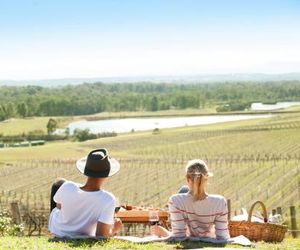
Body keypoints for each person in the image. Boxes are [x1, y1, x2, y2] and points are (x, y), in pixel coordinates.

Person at [48, 148, 122, 238]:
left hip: (58, 231)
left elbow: (58, 207)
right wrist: (115, 229)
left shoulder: (67, 186)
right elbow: (101, 236)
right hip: (83, 235)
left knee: (59, 183)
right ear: (107, 174)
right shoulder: (108, 199)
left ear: (86, 171)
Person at [151, 159, 230, 240]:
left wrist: (162, 232)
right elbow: (223, 238)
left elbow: (178, 237)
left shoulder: (176, 201)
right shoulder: (220, 202)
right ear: (206, 178)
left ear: (187, 178)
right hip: (211, 241)